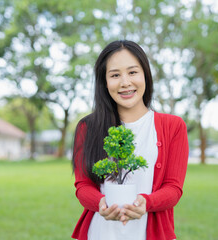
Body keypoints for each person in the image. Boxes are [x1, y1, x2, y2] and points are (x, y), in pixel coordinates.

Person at [71, 40, 189, 240]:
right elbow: (83, 186)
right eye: (115, 75)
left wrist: (146, 202)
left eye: (133, 72)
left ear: (145, 75)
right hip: (100, 232)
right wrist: (101, 203)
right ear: (104, 81)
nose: (125, 82)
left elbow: (173, 187)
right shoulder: (87, 128)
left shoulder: (173, 126)